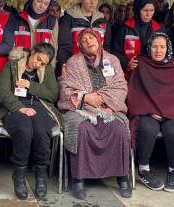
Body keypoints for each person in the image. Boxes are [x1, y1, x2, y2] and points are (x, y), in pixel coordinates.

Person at [58, 29, 131, 200]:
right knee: (81, 130)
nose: (88, 41)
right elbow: (66, 89)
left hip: (108, 107)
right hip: (81, 109)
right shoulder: (73, 62)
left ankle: (123, 178)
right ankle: (79, 180)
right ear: (79, 45)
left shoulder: (112, 60)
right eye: (84, 40)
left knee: (118, 129)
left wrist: (102, 98)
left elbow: (121, 86)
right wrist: (85, 97)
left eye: (92, 38)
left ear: (99, 40)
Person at [127, 32, 174, 192]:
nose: (158, 50)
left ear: (168, 48)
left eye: (162, 47)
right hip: (147, 111)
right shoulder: (141, 64)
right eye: (154, 46)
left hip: (172, 111)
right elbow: (135, 92)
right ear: (149, 48)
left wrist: (168, 110)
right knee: (148, 128)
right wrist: (150, 111)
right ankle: (143, 169)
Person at [0, 43, 60, 200]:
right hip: (14, 105)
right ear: (32, 52)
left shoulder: (46, 71)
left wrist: (31, 85)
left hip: (39, 105)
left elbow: (52, 95)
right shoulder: (13, 66)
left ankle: (41, 173)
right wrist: (19, 107)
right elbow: (2, 91)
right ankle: (19, 175)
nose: (38, 64)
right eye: (38, 59)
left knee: (42, 131)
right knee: (24, 130)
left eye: (43, 63)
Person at [56, 0, 112, 76]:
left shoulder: (103, 21)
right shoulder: (68, 19)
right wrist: (65, 66)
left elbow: (106, 48)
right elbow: (64, 48)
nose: (93, 2)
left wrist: (107, 72)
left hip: (98, 71)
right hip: (76, 71)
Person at [111, 0, 163, 80]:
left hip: (151, 73)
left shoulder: (159, 29)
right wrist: (126, 62)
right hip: (130, 74)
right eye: (145, 10)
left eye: (151, 10)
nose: (148, 14)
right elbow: (115, 51)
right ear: (138, 10)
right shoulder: (125, 28)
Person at [13, 0, 58, 68]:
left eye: (46, 4)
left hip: (41, 68)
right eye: (39, 1)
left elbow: (53, 50)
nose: (41, 6)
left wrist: (50, 69)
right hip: (18, 66)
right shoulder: (16, 19)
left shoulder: (52, 21)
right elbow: (11, 48)